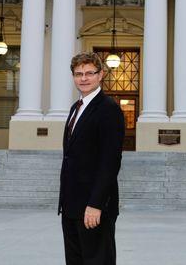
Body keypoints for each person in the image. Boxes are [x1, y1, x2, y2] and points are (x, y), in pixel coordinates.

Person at [58, 52, 125, 265]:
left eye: (89, 73)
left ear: (101, 75)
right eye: (78, 74)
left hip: (93, 207)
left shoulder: (108, 109)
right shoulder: (75, 108)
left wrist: (96, 204)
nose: (83, 78)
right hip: (71, 206)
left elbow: (110, 162)